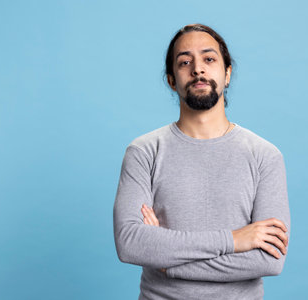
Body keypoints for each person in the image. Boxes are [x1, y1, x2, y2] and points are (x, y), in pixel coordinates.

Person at [113, 23, 290, 300]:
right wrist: (233, 240)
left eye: (209, 59)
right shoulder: (143, 151)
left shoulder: (264, 156)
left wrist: (167, 262)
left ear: (227, 73)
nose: (198, 69)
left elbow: (269, 260)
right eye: (185, 62)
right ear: (172, 80)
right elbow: (130, 244)